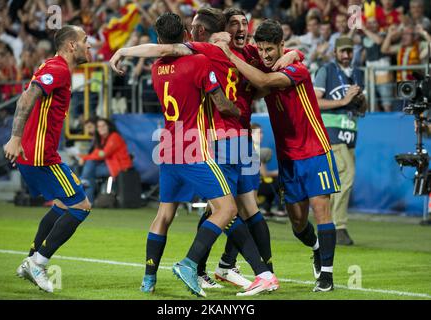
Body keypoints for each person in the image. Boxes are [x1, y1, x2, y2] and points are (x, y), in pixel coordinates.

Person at [110, 8, 302, 294]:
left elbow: (275, 61)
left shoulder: (160, 67)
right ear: (192, 33)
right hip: (205, 142)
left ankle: (159, 277)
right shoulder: (203, 57)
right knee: (230, 208)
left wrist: (291, 54)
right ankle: (227, 268)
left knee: (198, 210)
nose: (240, 28)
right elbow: (221, 98)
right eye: (234, 23)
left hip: (179, 146)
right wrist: (236, 106)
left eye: (243, 23)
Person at [214, 19, 341, 292]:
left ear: (281, 46)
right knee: (297, 223)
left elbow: (261, 80)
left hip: (315, 149)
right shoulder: (265, 63)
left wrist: (227, 55)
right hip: (288, 156)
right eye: (261, 49)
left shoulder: (297, 69)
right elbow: (255, 74)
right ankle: (317, 247)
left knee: (321, 210)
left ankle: (327, 276)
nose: (265, 55)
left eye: (270, 49)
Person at [3, 25, 92, 293]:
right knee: (80, 206)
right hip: (41, 156)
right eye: (86, 41)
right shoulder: (59, 69)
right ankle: (38, 263)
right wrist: (15, 138)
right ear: (72, 46)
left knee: (63, 205)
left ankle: (30, 260)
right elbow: (26, 98)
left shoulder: (52, 65)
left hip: (37, 154)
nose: (90, 46)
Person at [314, 37, 367, 245]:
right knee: (347, 175)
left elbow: (362, 110)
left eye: (349, 51)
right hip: (331, 131)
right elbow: (315, 102)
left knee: (338, 181)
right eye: (342, 51)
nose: (346, 55)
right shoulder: (325, 71)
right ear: (334, 52)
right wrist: (344, 100)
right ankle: (339, 226)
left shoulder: (358, 74)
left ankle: (328, 226)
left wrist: (360, 101)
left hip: (350, 132)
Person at [79, 118, 132, 203]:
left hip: (119, 167)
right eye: (99, 126)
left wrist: (84, 158)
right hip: (109, 166)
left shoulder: (114, 136)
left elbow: (104, 154)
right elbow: (96, 153)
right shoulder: (102, 139)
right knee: (89, 170)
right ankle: (87, 197)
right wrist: (83, 157)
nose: (101, 128)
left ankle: (84, 189)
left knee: (88, 172)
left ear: (109, 126)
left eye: (103, 125)